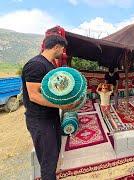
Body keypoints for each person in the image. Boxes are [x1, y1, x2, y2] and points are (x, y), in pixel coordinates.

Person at [22, 35, 73, 180]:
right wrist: (61, 105)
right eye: (62, 48)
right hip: (40, 120)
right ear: (56, 46)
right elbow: (34, 96)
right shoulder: (36, 65)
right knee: (48, 162)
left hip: (50, 117)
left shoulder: (49, 65)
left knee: (54, 154)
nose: (63, 52)